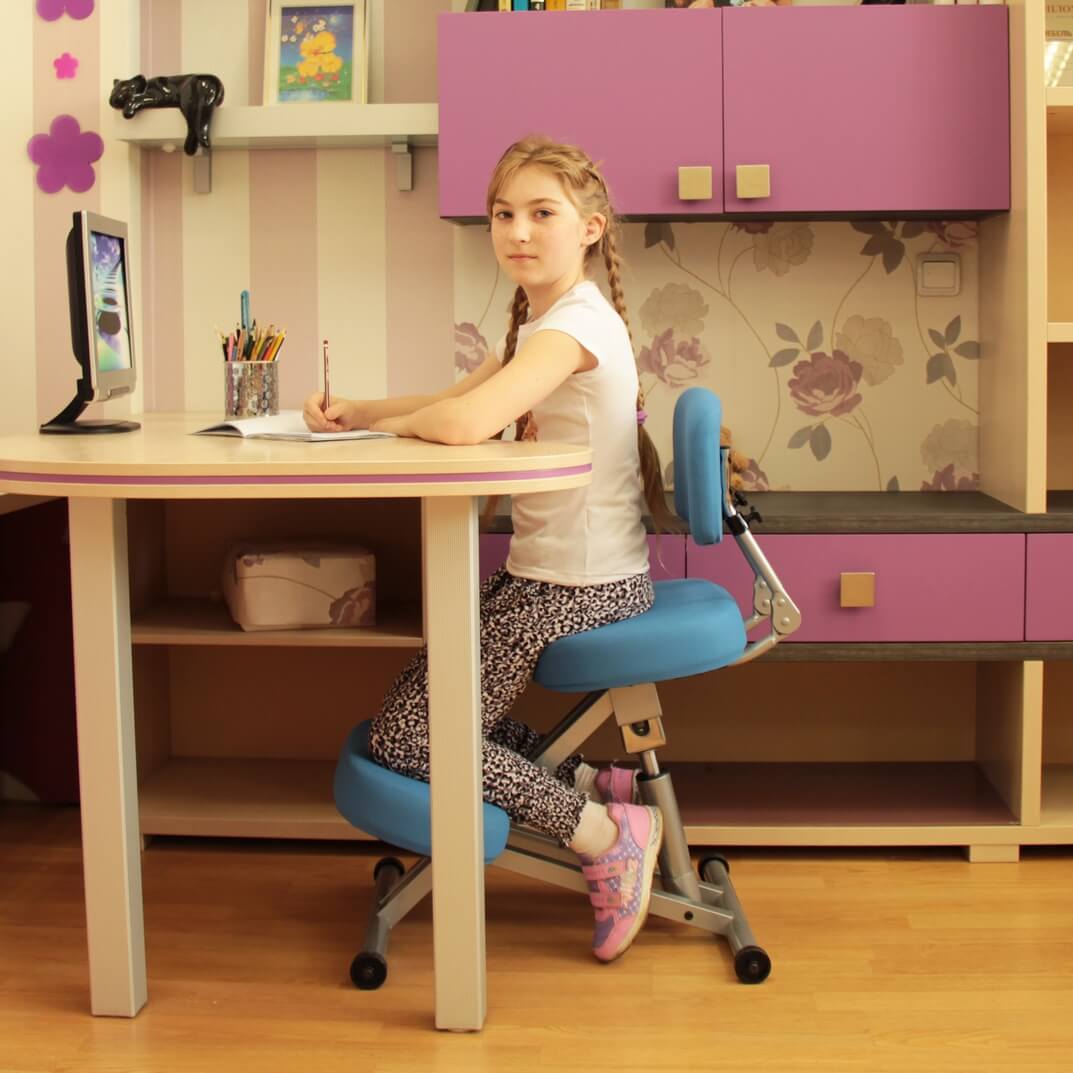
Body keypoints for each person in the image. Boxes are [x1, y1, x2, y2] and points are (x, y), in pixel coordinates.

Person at [303, 136, 678, 963]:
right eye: (503, 215)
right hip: (550, 576)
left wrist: (409, 424)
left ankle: (602, 832)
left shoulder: (573, 326)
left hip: (578, 586)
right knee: (416, 715)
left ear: (589, 226)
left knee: (411, 739)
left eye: (541, 213)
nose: (517, 231)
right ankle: (587, 782)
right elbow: (454, 398)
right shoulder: (546, 322)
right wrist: (358, 412)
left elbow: (464, 423)